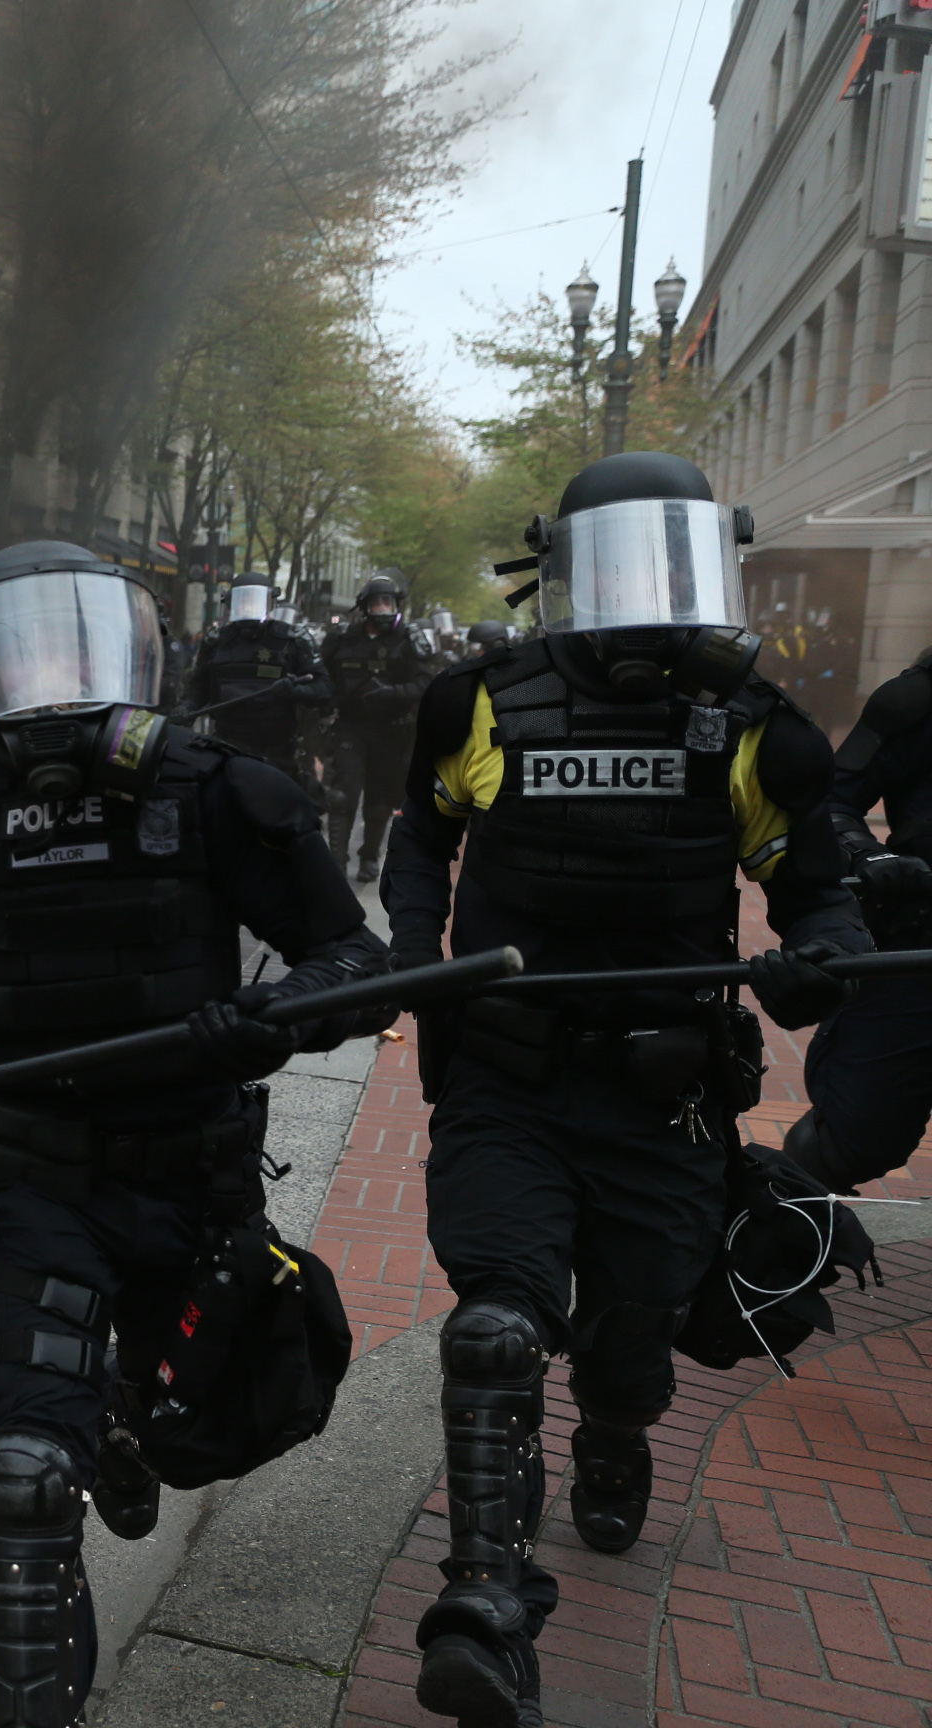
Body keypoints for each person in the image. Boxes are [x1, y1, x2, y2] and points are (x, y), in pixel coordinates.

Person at [0, 543, 389, 1728]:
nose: (50, 687)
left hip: (195, 1176)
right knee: (21, 1474)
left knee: (225, 1423)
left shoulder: (212, 789)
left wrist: (270, 1018)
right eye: (22, 656)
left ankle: (123, 1425)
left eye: (74, 650)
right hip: (35, 1184)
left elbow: (356, 958)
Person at [380, 452, 871, 1728]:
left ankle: (615, 1430)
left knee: (630, 1334)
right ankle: (483, 1607)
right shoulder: (478, 705)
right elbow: (422, 833)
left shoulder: (753, 727)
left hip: (664, 1100)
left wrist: (825, 954)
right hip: (509, 1077)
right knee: (495, 1322)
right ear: (556, 575)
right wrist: (408, 951)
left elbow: (812, 884)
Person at [780, 638, 932, 1194]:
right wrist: (874, 856)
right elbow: (834, 801)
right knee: (854, 1136)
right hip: (917, 950)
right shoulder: (915, 700)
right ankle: (780, 1252)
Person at [320, 570, 434, 882]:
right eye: (377, 602)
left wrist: (393, 694)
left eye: (388, 602)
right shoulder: (342, 638)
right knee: (342, 798)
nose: (383, 608)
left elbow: (425, 684)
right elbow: (320, 676)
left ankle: (370, 855)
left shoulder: (410, 640)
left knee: (379, 802)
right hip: (350, 728)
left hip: (391, 731)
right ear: (364, 606)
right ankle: (337, 862)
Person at [182, 580, 332, 785]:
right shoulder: (217, 641)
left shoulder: (293, 640)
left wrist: (294, 691)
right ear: (230, 605)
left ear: (270, 604)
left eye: (254, 602)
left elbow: (324, 690)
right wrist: (186, 706)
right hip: (227, 747)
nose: (247, 608)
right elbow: (199, 685)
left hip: (277, 751)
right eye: (242, 602)